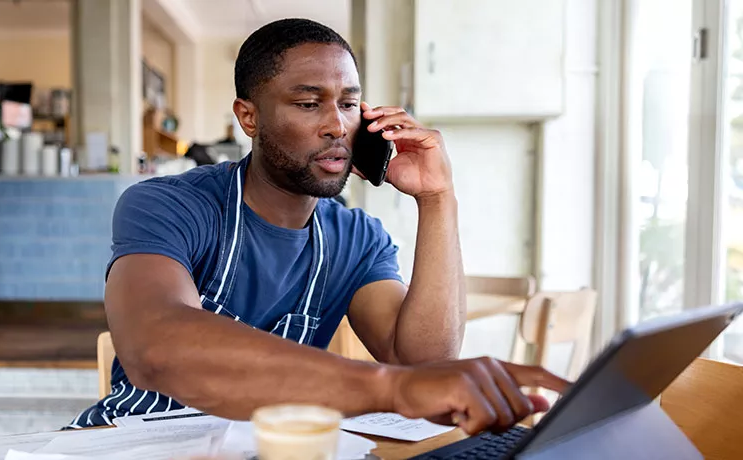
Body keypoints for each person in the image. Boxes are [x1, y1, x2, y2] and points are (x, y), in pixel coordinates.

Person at [68, 18, 568, 435]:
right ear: (249, 117)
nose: (336, 125)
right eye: (309, 104)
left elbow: (422, 361)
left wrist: (438, 199)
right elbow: (156, 346)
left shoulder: (357, 239)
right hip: (135, 444)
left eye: (349, 104)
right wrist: (387, 388)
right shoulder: (167, 205)